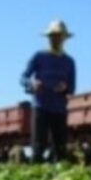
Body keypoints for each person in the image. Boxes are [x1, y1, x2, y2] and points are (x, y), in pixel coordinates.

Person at [21, 19, 77, 163]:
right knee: (38, 146)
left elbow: (72, 87)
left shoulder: (69, 62)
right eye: (54, 35)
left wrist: (65, 88)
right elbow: (23, 77)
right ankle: (35, 176)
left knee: (61, 148)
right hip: (41, 106)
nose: (57, 38)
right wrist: (31, 84)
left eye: (60, 36)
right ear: (49, 37)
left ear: (65, 38)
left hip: (59, 109)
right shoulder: (39, 56)